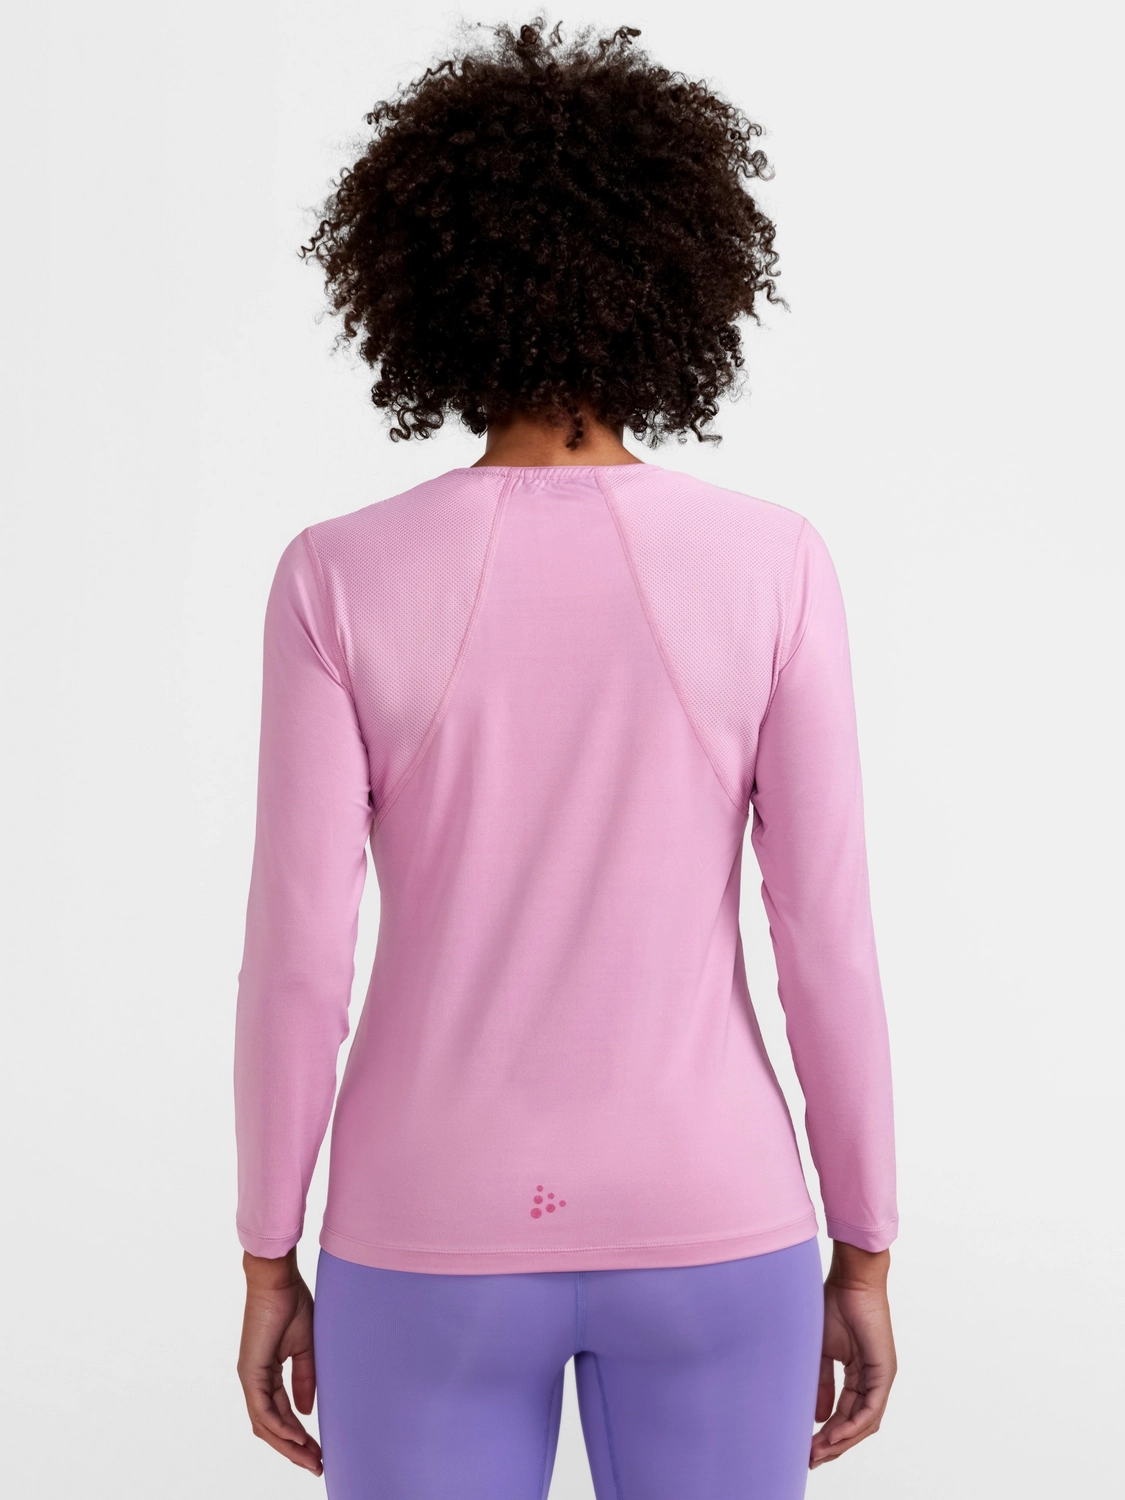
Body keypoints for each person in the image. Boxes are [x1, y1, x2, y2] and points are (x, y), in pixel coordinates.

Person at [233, 17, 898, 1499]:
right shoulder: (774, 564)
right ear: (680, 279)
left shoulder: (338, 576)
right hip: (717, 1220)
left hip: (424, 1226)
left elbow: (298, 953)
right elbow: (827, 938)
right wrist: (863, 1241)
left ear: (421, 287)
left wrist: (269, 1249)